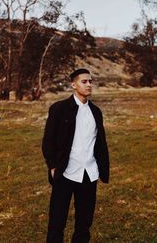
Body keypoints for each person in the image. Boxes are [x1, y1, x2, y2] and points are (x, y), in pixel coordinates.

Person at [42, 68, 110, 243]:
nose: (89, 85)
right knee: (57, 222)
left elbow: (100, 143)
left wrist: (102, 168)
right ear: (73, 85)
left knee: (84, 224)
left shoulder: (96, 112)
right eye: (84, 82)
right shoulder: (59, 109)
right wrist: (53, 166)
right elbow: (48, 141)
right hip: (65, 172)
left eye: (90, 81)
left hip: (89, 173)